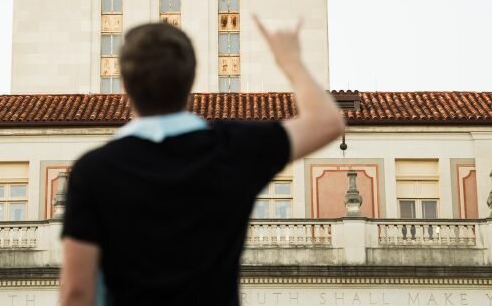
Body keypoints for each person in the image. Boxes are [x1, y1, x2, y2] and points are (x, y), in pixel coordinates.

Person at [60, 17, 344, 306]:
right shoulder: (233, 149)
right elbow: (327, 122)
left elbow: (76, 293)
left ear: (124, 84)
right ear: (190, 80)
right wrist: (290, 60)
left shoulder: (93, 171)